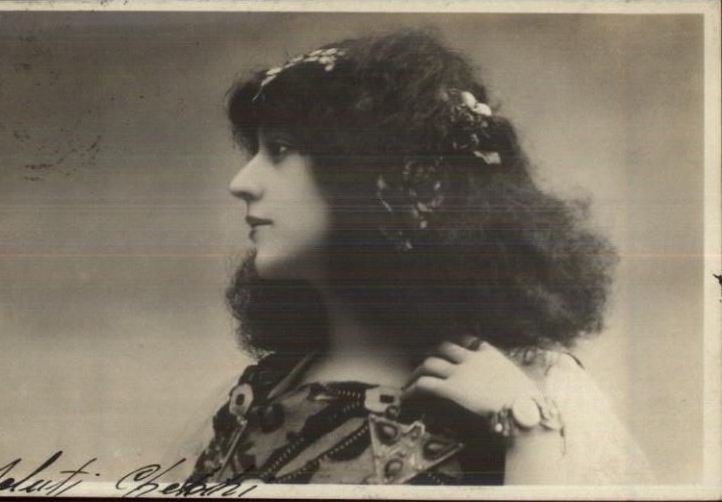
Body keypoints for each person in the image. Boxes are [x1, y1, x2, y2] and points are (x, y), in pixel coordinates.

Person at [170, 29, 653, 486]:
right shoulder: (260, 389)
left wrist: (530, 434)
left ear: (380, 181)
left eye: (278, 149)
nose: (242, 183)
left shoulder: (533, 389)